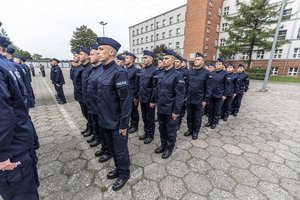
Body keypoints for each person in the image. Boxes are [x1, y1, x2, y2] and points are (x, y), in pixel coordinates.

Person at [0, 35, 39, 200]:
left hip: (12, 147)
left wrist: (2, 155)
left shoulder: (6, 67)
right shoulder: (7, 66)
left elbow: (3, 116)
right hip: (19, 138)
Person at [96, 37, 132, 191]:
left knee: (121, 151)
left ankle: (124, 174)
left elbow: (125, 100)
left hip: (117, 122)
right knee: (112, 149)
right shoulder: (103, 71)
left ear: (111, 52)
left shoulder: (119, 72)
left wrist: (124, 124)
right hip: (105, 120)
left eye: (101, 50)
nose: (98, 53)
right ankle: (118, 169)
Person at [154, 49, 185, 159]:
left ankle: (169, 148)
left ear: (173, 60)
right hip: (161, 107)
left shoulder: (178, 75)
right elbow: (158, 90)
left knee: (171, 130)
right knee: (162, 129)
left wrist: (176, 111)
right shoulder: (161, 74)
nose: (164, 60)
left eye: (166, 58)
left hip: (171, 109)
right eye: (163, 58)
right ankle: (163, 145)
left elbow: (180, 95)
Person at [185, 53, 211, 140]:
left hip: (199, 100)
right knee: (189, 116)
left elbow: (208, 87)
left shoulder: (206, 73)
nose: (196, 61)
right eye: (195, 59)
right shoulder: (190, 72)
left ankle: (195, 132)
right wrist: (185, 96)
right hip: (190, 99)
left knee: (197, 117)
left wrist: (205, 100)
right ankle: (190, 129)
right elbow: (187, 85)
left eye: (198, 59)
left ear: (203, 62)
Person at [135, 50, 157, 144]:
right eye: (143, 58)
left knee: (150, 119)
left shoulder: (154, 71)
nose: (144, 59)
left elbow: (155, 88)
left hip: (149, 100)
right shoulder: (142, 70)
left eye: (146, 58)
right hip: (142, 98)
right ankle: (146, 132)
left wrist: (153, 100)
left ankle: (150, 135)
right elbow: (139, 84)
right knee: (144, 117)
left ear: (151, 59)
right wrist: (137, 97)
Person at [86, 44, 103, 148]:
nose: (89, 57)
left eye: (92, 54)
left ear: (98, 55)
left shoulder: (102, 70)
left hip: (99, 107)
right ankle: (97, 137)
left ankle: (102, 141)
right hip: (92, 104)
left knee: (100, 126)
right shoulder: (93, 70)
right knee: (95, 124)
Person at [205, 58, 229, 129]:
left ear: (222, 65)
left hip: (219, 95)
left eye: (219, 64)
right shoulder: (212, 73)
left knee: (217, 110)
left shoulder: (225, 74)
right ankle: (209, 121)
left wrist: (224, 94)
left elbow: (226, 85)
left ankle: (214, 122)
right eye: (217, 64)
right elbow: (209, 84)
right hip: (211, 95)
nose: (217, 65)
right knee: (210, 109)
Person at [79, 47, 94, 137]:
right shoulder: (85, 68)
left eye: (81, 54)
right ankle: (90, 128)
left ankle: (94, 132)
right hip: (84, 98)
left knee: (92, 117)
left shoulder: (91, 69)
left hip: (90, 100)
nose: (78, 56)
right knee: (87, 115)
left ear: (88, 56)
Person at [124, 52, 140, 134]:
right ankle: (131, 124)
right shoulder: (125, 69)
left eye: (127, 58)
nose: (125, 59)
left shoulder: (136, 70)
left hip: (133, 95)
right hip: (126, 95)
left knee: (134, 112)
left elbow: (137, 85)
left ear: (132, 60)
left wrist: (136, 97)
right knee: (128, 112)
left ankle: (135, 126)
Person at [174, 55, 188, 130]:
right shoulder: (172, 71)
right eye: (175, 61)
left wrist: (185, 96)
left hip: (181, 95)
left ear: (181, 63)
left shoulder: (184, 72)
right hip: (173, 94)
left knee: (179, 110)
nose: (175, 63)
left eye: (177, 62)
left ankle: (178, 124)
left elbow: (187, 85)